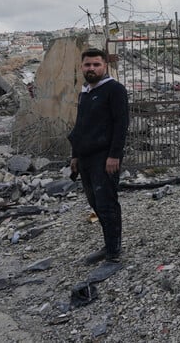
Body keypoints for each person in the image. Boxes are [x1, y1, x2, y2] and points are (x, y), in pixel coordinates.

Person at [68, 48, 129, 265]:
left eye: (96, 64)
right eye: (87, 65)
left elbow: (121, 124)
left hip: (104, 158)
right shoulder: (85, 92)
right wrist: (75, 155)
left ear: (105, 66)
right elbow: (80, 126)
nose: (91, 68)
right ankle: (109, 243)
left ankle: (113, 251)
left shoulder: (114, 90)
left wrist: (114, 156)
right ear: (82, 67)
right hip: (85, 158)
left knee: (107, 203)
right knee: (95, 202)